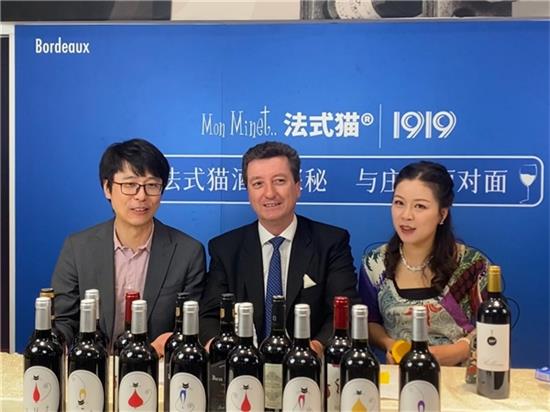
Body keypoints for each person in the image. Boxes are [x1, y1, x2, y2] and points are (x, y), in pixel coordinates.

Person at [199, 141, 360, 354]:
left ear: (297, 187)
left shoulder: (331, 243)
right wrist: (221, 348)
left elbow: (343, 312)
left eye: (279, 181)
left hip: (307, 364)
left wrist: (314, 348)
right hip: (243, 364)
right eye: (258, 184)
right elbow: (209, 316)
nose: (269, 193)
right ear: (248, 191)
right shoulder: (226, 248)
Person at [51, 138, 206, 355]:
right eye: (130, 185)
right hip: (93, 366)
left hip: (157, 368)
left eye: (151, 185)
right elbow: (65, 321)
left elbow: (189, 327)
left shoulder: (188, 252)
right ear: (107, 188)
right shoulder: (78, 248)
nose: (141, 196)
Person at [359, 161, 490, 366]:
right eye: (399, 203)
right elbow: (370, 321)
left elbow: (493, 327)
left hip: (458, 376)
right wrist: (390, 345)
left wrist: (456, 351)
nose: (406, 215)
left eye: (420, 206)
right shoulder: (375, 264)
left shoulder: (472, 265)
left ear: (442, 214)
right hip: (400, 375)